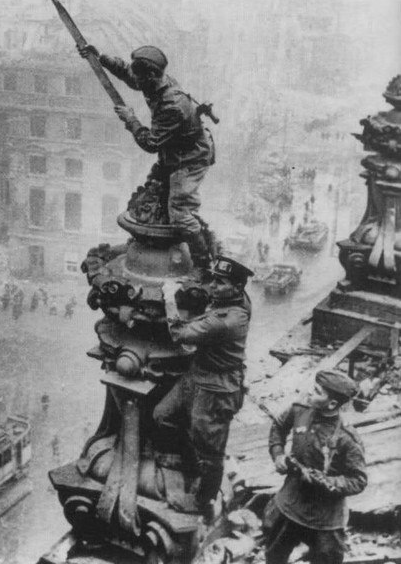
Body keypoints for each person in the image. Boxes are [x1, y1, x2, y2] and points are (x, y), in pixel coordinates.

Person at [79, 43, 215, 265]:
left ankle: (203, 261)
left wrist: (130, 119)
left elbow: (150, 143)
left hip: (189, 159)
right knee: (153, 190)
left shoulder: (173, 104)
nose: (137, 82)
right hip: (173, 151)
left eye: (141, 78)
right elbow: (129, 75)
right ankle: (157, 231)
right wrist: (100, 57)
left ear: (152, 75)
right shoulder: (154, 81)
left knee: (180, 212)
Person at [153, 255, 253, 519]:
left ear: (237, 287)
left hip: (217, 389)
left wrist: (169, 297)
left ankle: (202, 500)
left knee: (211, 451)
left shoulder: (226, 320)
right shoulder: (238, 300)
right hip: (198, 375)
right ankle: (191, 462)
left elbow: (179, 334)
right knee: (163, 416)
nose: (214, 287)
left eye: (221, 283)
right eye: (214, 281)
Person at [265, 369, 367, 564]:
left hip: (326, 517)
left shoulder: (348, 438)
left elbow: (358, 480)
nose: (310, 393)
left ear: (332, 404)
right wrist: (277, 454)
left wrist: (326, 481)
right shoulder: (300, 410)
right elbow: (278, 426)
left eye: (317, 391)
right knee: (274, 555)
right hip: (291, 504)